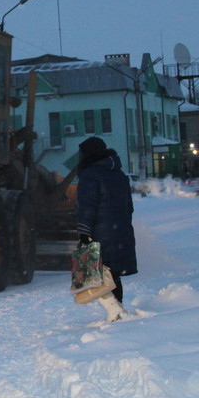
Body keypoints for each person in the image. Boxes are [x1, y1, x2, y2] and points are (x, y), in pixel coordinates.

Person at [75, 136, 137, 322]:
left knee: (94, 275)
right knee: (112, 273)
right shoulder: (119, 175)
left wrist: (84, 232)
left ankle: (115, 310)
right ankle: (118, 308)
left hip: (100, 232)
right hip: (120, 229)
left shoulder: (90, 175)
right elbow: (129, 207)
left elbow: (87, 207)